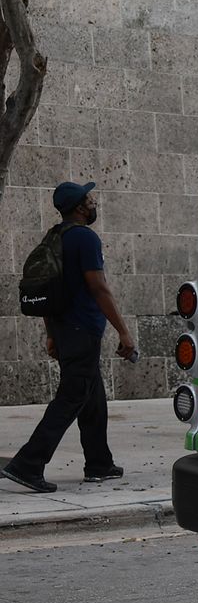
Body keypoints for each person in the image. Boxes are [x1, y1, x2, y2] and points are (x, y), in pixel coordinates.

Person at [2, 181, 136, 494]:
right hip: (82, 330)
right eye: (89, 199)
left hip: (64, 330)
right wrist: (124, 330)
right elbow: (98, 287)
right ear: (79, 207)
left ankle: (99, 463)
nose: (93, 203)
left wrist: (52, 335)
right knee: (71, 397)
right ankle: (28, 464)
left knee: (93, 397)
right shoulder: (85, 238)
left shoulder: (55, 237)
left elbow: (50, 291)